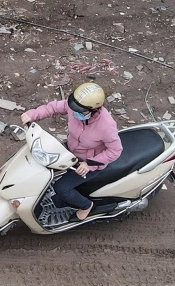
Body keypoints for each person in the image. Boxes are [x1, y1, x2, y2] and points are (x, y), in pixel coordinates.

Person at [20, 82, 123, 220]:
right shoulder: (75, 107)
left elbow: (115, 150)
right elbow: (53, 108)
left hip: (89, 163)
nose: (74, 112)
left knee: (62, 188)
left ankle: (86, 206)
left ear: (94, 110)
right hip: (70, 151)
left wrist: (89, 164)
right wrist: (33, 114)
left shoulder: (106, 126)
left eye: (79, 111)